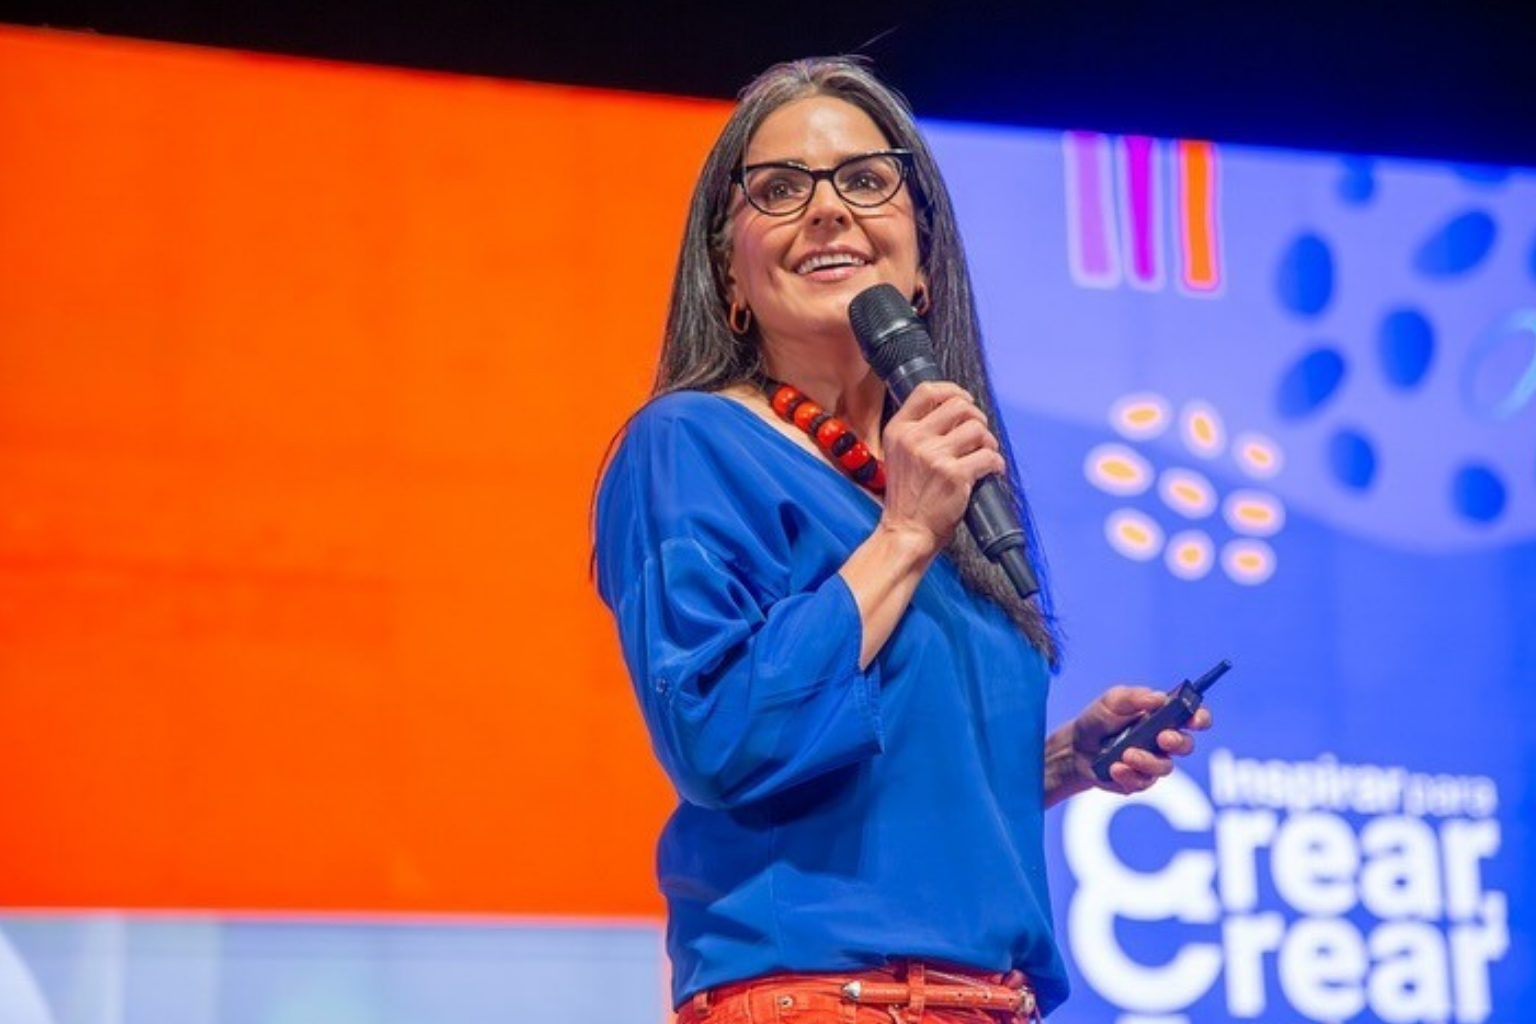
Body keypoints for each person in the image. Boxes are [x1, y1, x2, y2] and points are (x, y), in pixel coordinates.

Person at [594, 56, 1211, 1022]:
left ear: (923, 258)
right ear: (731, 274)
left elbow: (877, 762)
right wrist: (907, 532)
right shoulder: (690, 444)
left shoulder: (929, 471)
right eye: (781, 189)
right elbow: (719, 738)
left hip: (990, 1001)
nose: (829, 210)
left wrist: (1055, 766)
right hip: (820, 997)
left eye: (867, 179)